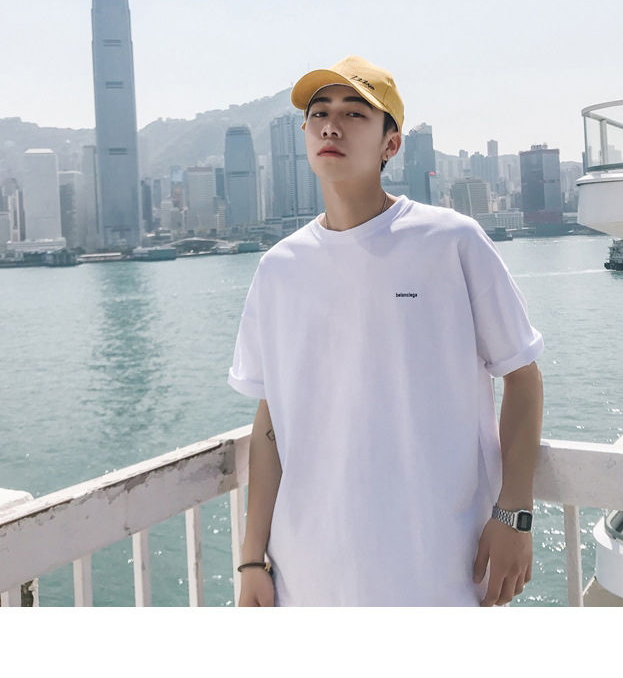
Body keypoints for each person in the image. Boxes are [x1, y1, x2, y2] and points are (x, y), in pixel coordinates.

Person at [228, 55, 544, 607]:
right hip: (307, 575)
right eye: (319, 113)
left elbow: (523, 377)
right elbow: (270, 419)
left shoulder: (451, 241)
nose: (331, 126)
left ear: (390, 144)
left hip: (439, 568)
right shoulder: (278, 269)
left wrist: (514, 514)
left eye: (354, 114)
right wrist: (252, 557)